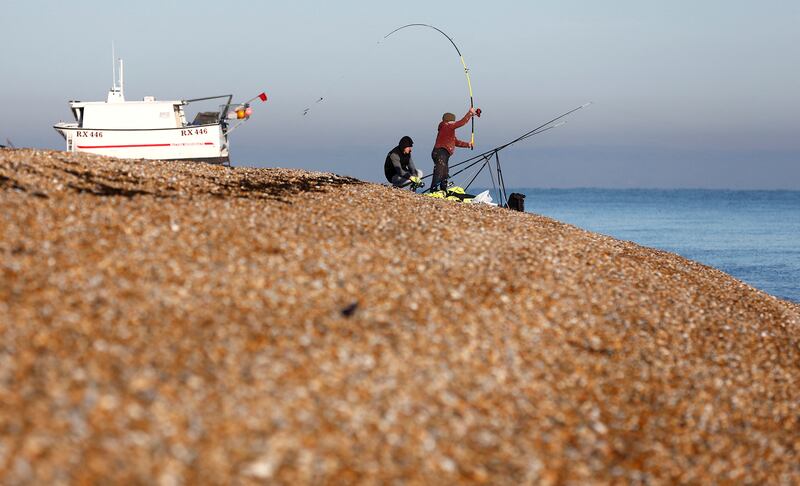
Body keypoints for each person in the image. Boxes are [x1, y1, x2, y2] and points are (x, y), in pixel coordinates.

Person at [431, 108, 477, 191]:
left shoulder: (447, 130)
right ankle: (433, 190)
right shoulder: (446, 126)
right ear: (449, 121)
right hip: (441, 152)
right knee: (440, 172)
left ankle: (443, 190)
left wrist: (468, 144)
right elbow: (461, 123)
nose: (454, 123)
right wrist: (470, 113)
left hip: (442, 153)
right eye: (453, 121)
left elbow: (455, 142)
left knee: (444, 173)